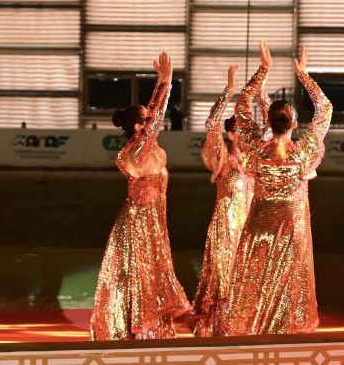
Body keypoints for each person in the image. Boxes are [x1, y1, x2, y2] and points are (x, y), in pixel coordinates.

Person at [222, 41, 332, 336]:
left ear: (269, 122)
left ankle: (254, 332)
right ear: (294, 124)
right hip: (292, 224)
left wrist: (263, 70)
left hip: (260, 222)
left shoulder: (257, 149)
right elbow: (325, 109)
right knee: (289, 280)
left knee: (257, 277)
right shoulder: (303, 152)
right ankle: (287, 334)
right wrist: (303, 74)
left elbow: (241, 105)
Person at [90, 51, 191, 340]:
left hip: (151, 220)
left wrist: (161, 82)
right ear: (137, 127)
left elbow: (152, 115)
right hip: (138, 222)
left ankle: (150, 329)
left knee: (149, 274)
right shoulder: (137, 152)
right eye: (145, 121)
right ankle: (136, 329)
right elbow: (155, 117)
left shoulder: (145, 146)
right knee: (139, 275)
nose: (152, 122)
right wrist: (167, 83)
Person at [190, 64, 269, 337]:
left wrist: (261, 91)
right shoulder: (222, 157)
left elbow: (273, 129)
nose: (247, 134)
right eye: (241, 131)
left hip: (250, 225)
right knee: (224, 274)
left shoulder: (254, 158)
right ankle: (220, 326)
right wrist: (229, 91)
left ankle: (244, 324)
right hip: (226, 227)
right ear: (232, 134)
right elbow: (211, 124)